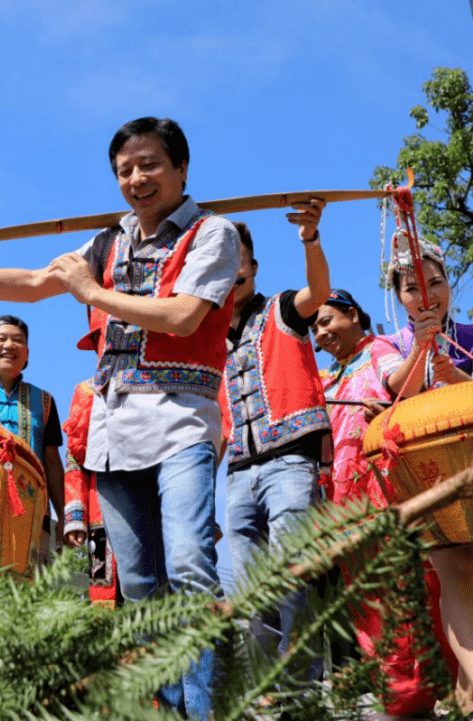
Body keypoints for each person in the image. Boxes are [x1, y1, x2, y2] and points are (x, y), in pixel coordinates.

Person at [0, 116, 239, 719]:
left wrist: (91, 294)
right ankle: (165, 709)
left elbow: (185, 316)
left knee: (190, 563)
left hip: (184, 422)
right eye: (124, 170)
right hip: (114, 433)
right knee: (137, 586)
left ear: (182, 169)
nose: (136, 179)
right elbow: (36, 281)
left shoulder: (215, 235)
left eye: (150, 165)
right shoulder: (107, 244)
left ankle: (206, 707)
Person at [313, 289, 459, 718]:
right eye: (315, 328)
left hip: (385, 487)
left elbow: (399, 384)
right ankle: (394, 691)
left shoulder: (377, 350)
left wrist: (416, 353)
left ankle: (420, 692)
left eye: (326, 321)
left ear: (353, 315)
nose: (321, 333)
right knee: (365, 599)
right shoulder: (327, 378)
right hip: (344, 502)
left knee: (405, 586)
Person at [218, 214, 330, 685]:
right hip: (239, 472)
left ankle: (302, 684)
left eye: (238, 263)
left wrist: (309, 238)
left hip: (289, 460)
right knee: (247, 588)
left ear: (254, 266)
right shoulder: (212, 336)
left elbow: (318, 292)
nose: (233, 274)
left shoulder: (282, 309)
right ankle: (264, 690)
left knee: (291, 573)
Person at [378, 238, 473, 714]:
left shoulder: (471, 335)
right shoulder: (389, 344)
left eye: (436, 282)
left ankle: (465, 693)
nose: (427, 294)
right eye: (413, 287)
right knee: (454, 572)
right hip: (431, 479)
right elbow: (396, 391)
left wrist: (455, 376)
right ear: (399, 297)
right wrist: (421, 349)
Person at [0, 314, 65, 550]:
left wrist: (65, 515)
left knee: (30, 584)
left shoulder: (45, 401)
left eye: (18, 340)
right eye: (2, 338)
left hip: (34, 514)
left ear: (26, 353)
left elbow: (53, 462)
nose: (10, 345)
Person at [62, 308, 117, 605]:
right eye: (102, 337)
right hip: (101, 508)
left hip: (153, 500)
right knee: (103, 588)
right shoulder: (85, 393)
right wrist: (75, 517)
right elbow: (74, 461)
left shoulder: (157, 385)